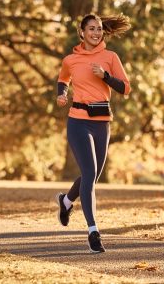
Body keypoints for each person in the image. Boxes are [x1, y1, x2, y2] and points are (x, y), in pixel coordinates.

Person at [56, 13, 131, 253]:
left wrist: (106, 77)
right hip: (78, 121)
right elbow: (63, 79)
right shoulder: (71, 59)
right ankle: (93, 231)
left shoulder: (110, 57)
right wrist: (62, 94)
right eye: (91, 29)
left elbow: (126, 88)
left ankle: (66, 201)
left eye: (99, 29)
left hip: (102, 123)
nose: (96, 33)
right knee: (89, 173)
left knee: (93, 176)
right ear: (82, 32)